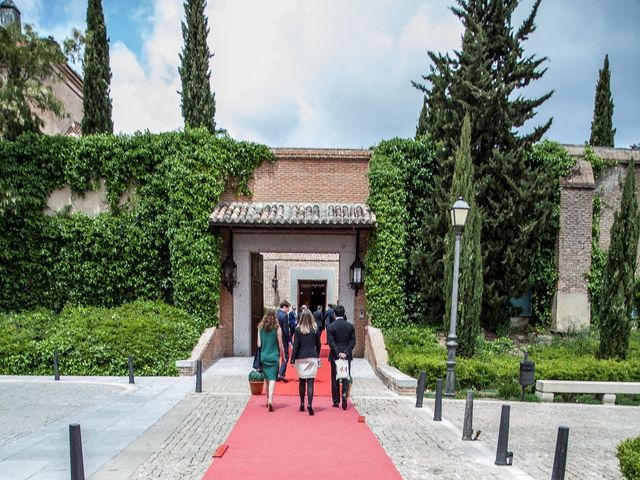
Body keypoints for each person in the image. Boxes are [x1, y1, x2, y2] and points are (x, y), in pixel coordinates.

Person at [290, 310, 321, 416]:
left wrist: (292, 359)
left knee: (302, 381)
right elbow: (318, 344)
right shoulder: (315, 329)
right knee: (311, 382)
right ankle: (310, 404)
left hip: (301, 357)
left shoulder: (298, 330)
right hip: (312, 356)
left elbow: (296, 346)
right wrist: (318, 355)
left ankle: (302, 403)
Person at [327, 304, 355, 410]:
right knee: (345, 376)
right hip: (346, 356)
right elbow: (353, 342)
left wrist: (338, 352)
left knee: (334, 377)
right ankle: (344, 394)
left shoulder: (331, 326)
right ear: (344, 314)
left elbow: (331, 342)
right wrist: (346, 353)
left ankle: (336, 401)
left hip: (335, 355)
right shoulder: (350, 326)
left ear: (334, 314)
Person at [257, 308, 285, 411]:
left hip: (264, 356)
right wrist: (284, 355)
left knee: (266, 379)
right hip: (274, 356)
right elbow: (281, 344)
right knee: (273, 379)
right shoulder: (277, 328)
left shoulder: (260, 328)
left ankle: (267, 399)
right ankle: (271, 400)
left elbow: (259, 344)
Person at [276, 300, 291, 382]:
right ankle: (281, 373)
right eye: (288, 308)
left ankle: (276, 374)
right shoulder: (284, 316)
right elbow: (285, 330)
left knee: (277, 356)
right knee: (285, 356)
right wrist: (289, 340)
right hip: (283, 339)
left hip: (275, 338)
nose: (288, 310)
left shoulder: (276, 313)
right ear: (284, 307)